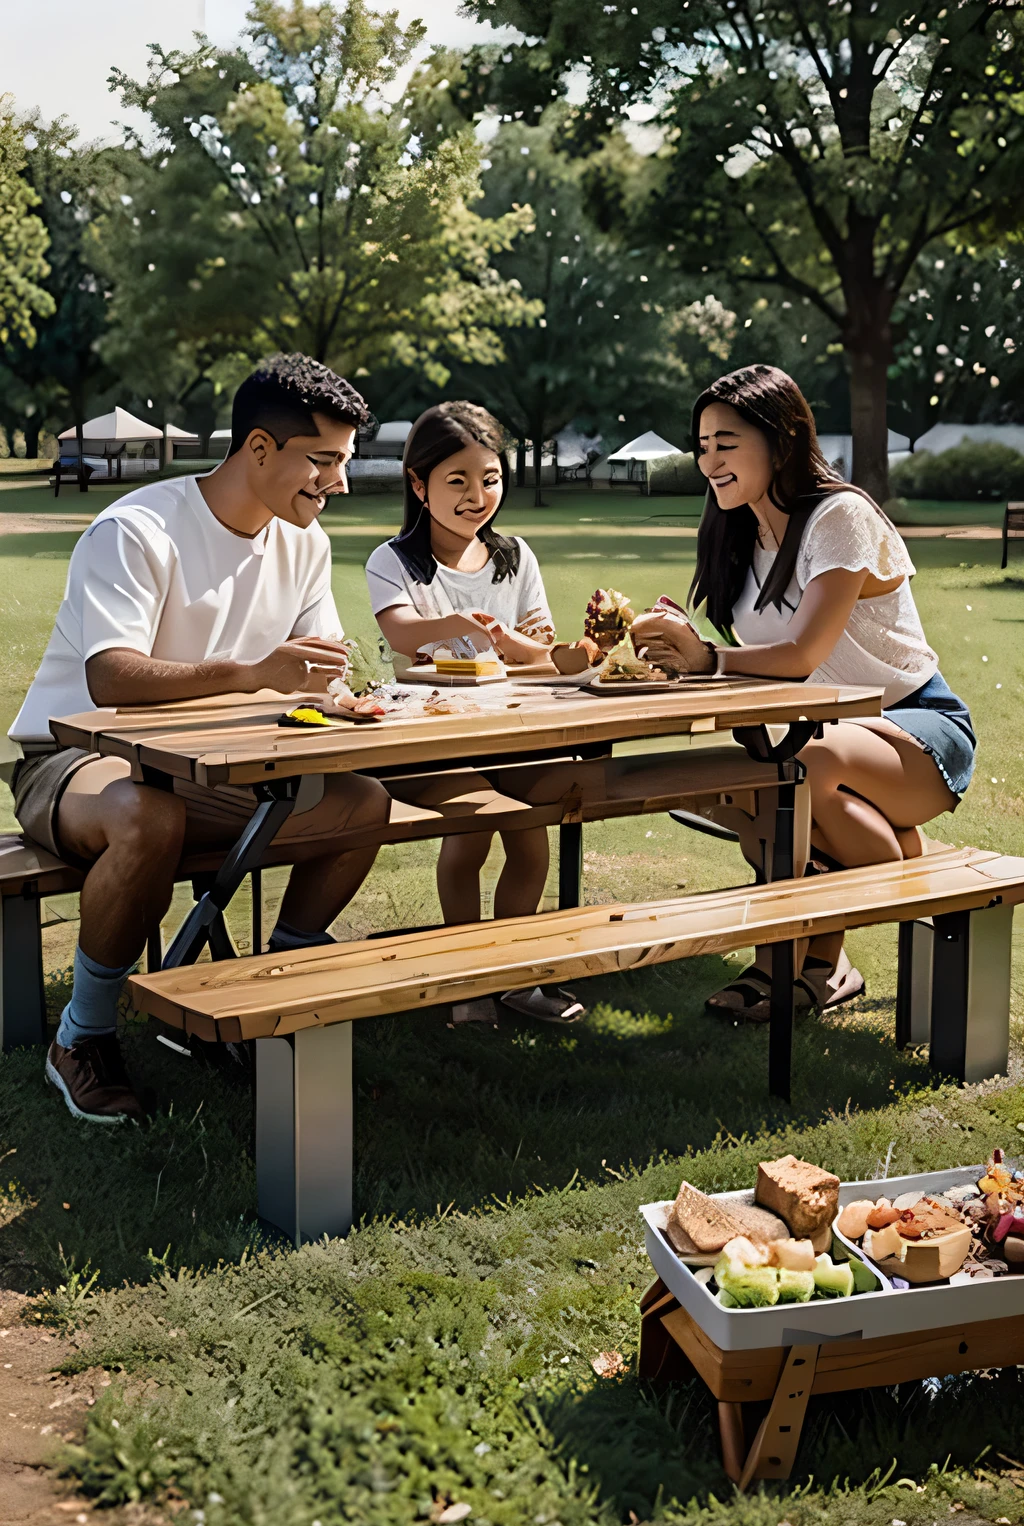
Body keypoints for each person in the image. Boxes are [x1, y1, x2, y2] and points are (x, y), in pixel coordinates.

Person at [9, 353, 391, 1122]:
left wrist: (340, 695)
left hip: (204, 768)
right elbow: (110, 678)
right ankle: (82, 1037)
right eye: (322, 461)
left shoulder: (303, 545)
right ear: (258, 449)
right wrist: (254, 674)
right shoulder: (137, 530)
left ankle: (276, 989)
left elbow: (316, 673)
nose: (339, 483)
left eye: (343, 462)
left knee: (361, 803)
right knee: (148, 818)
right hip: (76, 760)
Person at [632, 364, 975, 1023]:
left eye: (725, 443)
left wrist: (707, 658)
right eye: (702, 445)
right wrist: (684, 645)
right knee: (735, 781)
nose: (709, 461)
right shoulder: (739, 533)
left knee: (795, 767)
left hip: (915, 730)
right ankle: (843, 928)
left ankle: (793, 962)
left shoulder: (838, 518)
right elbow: (762, 660)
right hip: (817, 735)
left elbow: (801, 655)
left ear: (782, 440)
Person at [364, 400, 581, 1025]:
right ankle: (465, 980)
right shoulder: (396, 560)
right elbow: (404, 638)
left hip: (510, 731)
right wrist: (461, 626)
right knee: (469, 838)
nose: (475, 495)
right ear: (418, 484)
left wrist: (527, 647)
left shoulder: (516, 556)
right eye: (456, 480)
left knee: (532, 843)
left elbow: (540, 650)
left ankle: (511, 973)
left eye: (489, 478)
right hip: (435, 737)